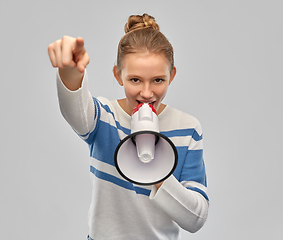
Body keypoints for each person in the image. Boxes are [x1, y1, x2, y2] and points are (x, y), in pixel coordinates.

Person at [48, 13, 209, 240]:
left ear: (171, 76)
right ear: (118, 75)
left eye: (158, 80)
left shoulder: (188, 128)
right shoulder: (104, 116)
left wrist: (157, 172)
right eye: (135, 80)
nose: (146, 93)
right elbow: (76, 112)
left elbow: (196, 218)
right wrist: (70, 72)